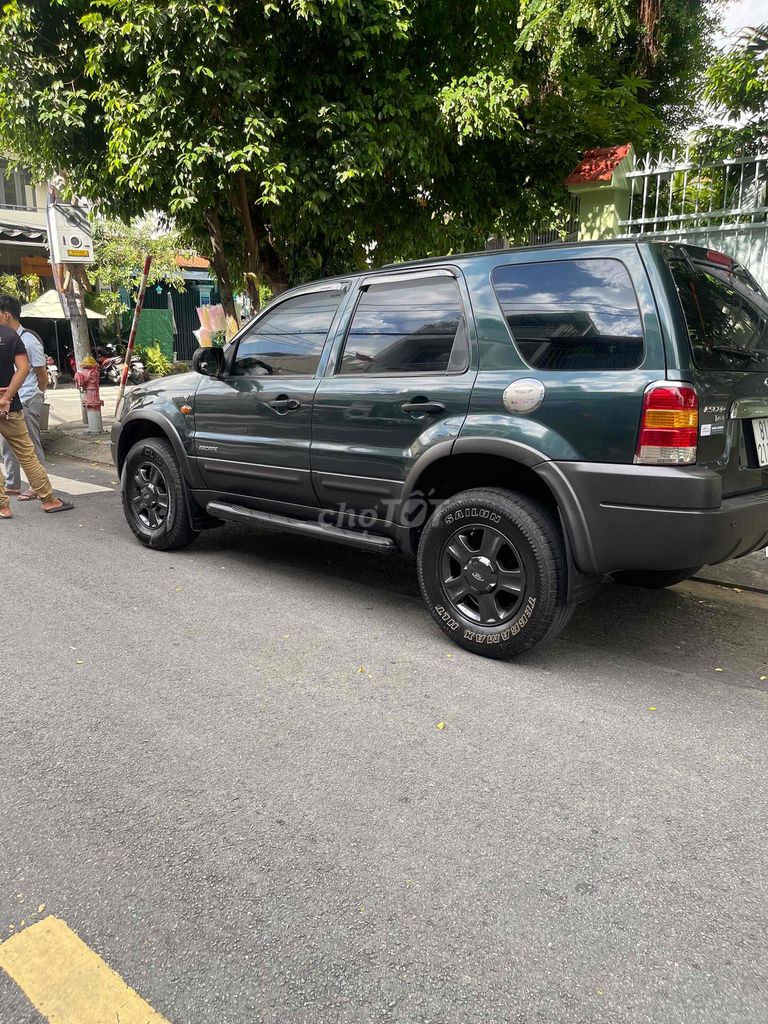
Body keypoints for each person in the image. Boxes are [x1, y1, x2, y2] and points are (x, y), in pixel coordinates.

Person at [0, 323, 73, 519]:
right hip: (10, 406)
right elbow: (23, 369)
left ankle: (2, 507)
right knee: (27, 454)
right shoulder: (10, 335)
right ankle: (48, 500)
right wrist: (7, 397)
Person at [0, 294, 48, 500]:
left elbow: (41, 373)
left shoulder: (29, 340)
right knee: (7, 444)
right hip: (11, 400)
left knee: (30, 446)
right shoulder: (6, 339)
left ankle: (39, 488)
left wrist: (38, 395)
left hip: (27, 398)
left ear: (6, 315)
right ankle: (12, 484)